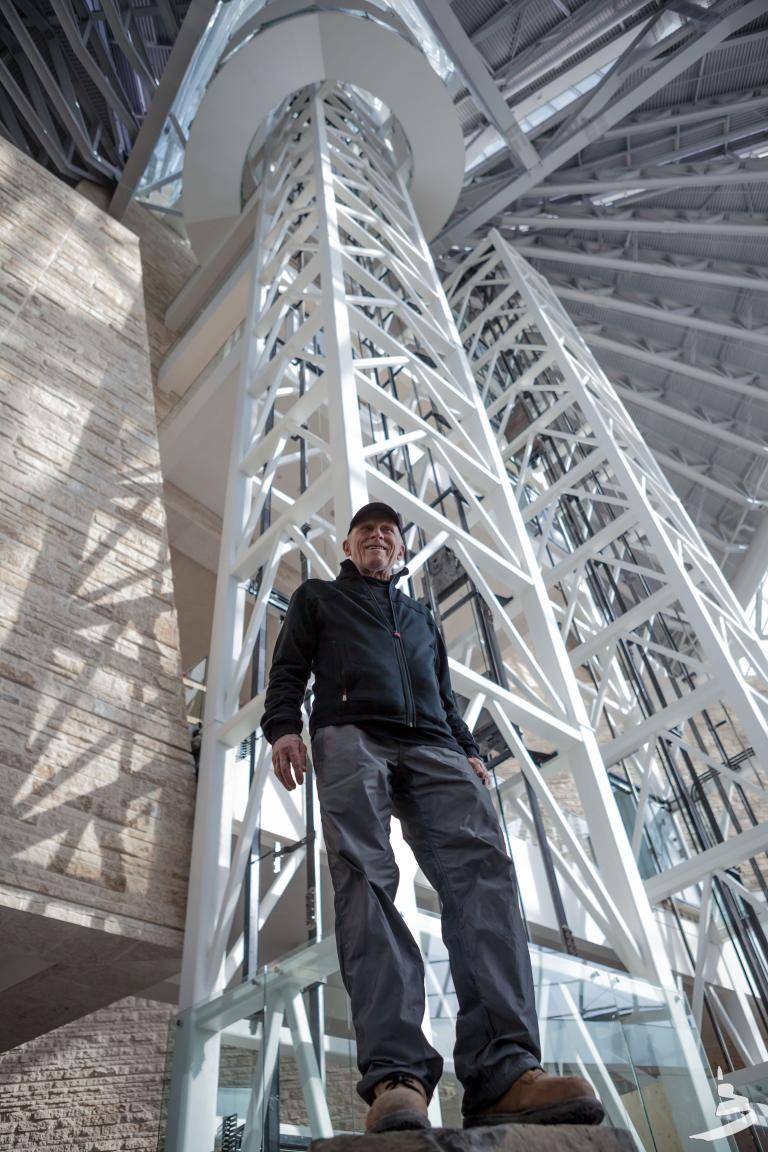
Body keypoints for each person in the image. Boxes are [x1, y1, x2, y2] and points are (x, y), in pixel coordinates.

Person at [261, 502, 603, 1132]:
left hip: (437, 747)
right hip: (349, 735)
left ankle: (505, 1072)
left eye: (388, 531)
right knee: (367, 880)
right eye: (366, 530)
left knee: (486, 875)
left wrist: (470, 752)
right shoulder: (317, 598)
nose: (377, 536)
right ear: (347, 545)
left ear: (398, 549)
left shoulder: (420, 617)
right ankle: (397, 1076)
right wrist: (284, 728)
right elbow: (287, 671)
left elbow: (444, 695)